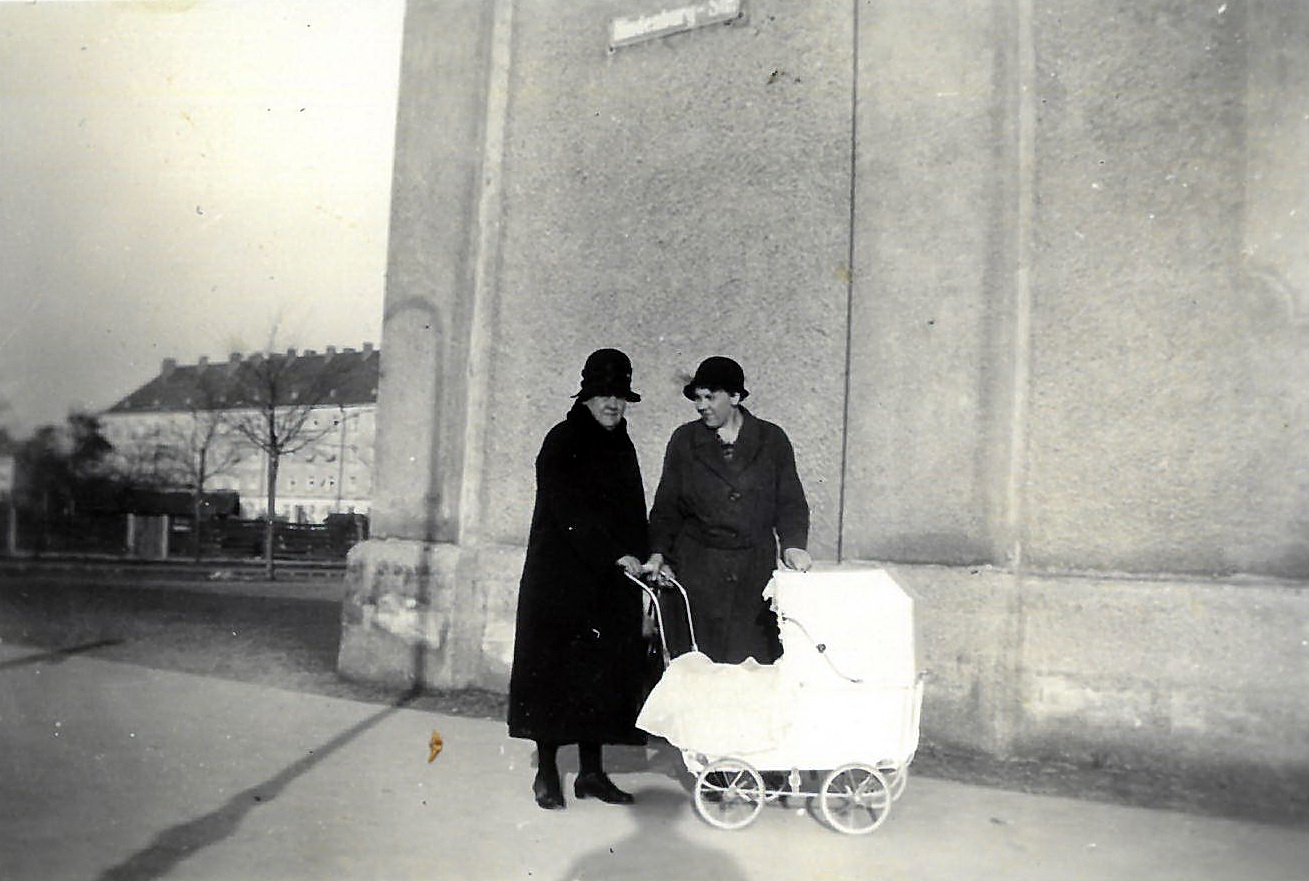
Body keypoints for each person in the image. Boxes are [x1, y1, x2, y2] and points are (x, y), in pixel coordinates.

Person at [506, 348, 651, 810]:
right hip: (560, 581)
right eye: (605, 395)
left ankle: (592, 774)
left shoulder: (622, 443)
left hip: (608, 583)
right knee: (554, 675)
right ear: (586, 395)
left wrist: (646, 556)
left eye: (621, 397)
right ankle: (547, 775)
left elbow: (634, 509)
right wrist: (616, 553)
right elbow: (567, 512)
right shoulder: (562, 439)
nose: (614, 404)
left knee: (601, 676)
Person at [644, 356, 811, 665]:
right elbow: (667, 507)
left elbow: (791, 502)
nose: (701, 405)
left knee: (749, 668)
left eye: (710, 396)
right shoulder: (684, 440)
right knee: (698, 668)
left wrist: (793, 546)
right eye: (698, 397)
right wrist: (658, 553)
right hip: (699, 574)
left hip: (753, 576)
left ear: (734, 397)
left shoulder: (772, 439)